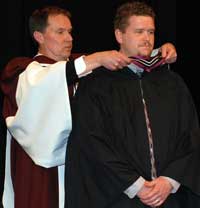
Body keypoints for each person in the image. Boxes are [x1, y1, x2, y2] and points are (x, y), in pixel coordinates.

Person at [0, 5, 177, 208]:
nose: (69, 38)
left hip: (82, 165)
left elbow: (126, 59)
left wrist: (159, 52)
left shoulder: (82, 66)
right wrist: (97, 58)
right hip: (41, 168)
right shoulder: (23, 71)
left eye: (70, 31)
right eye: (60, 32)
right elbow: (48, 81)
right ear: (39, 36)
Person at [65, 1, 200, 208]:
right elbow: (92, 141)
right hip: (118, 196)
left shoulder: (171, 82)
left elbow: (190, 135)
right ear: (119, 35)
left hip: (171, 197)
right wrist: (136, 185)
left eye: (151, 32)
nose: (147, 38)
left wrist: (169, 180)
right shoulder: (96, 84)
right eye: (139, 32)